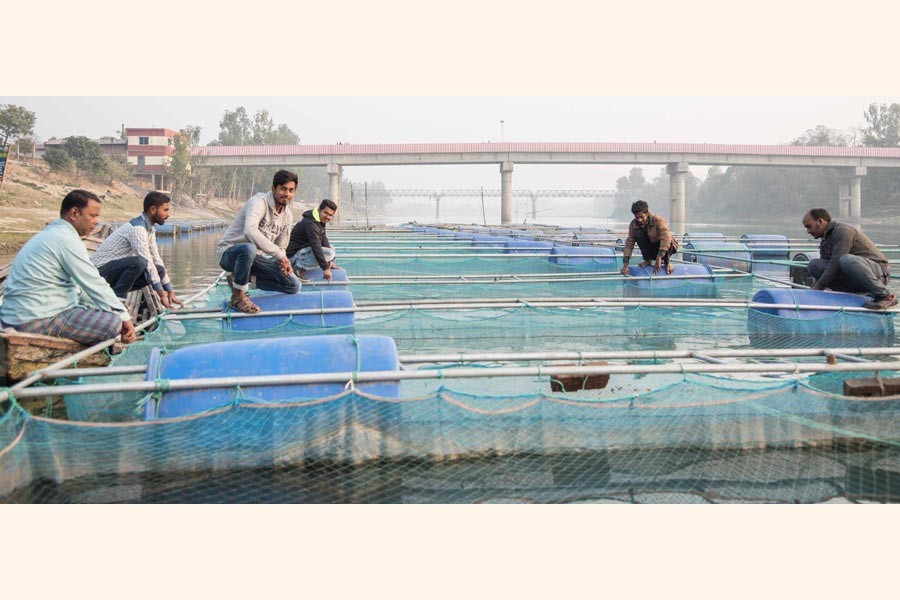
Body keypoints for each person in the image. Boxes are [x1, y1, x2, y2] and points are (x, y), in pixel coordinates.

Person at [0, 190, 136, 345]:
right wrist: (123, 317)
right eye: (92, 216)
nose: (97, 221)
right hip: (34, 320)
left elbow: (80, 288)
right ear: (74, 213)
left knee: (105, 310)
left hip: (14, 317)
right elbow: (93, 282)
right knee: (113, 323)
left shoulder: (51, 234)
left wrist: (112, 308)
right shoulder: (65, 239)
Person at [216, 169, 301, 313]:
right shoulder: (259, 202)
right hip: (231, 254)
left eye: (291, 190)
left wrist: (284, 262)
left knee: (293, 285)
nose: (287, 194)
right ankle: (238, 295)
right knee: (249, 248)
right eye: (283, 189)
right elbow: (249, 231)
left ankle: (242, 279)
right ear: (273, 188)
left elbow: (281, 247)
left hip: (255, 259)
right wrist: (278, 255)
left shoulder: (287, 215)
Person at [91, 191, 184, 309]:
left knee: (159, 270)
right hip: (98, 273)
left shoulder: (149, 228)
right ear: (153, 209)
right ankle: (117, 300)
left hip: (112, 273)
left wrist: (169, 290)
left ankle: (112, 295)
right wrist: (161, 294)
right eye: (165, 210)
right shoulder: (138, 229)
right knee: (139, 262)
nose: (168, 214)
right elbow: (147, 261)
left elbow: (156, 259)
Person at [802, 208, 896, 309]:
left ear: (820, 222)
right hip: (854, 276)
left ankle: (885, 296)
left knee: (846, 260)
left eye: (809, 226)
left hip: (878, 273)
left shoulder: (843, 231)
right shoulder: (825, 240)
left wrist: (818, 287)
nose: (808, 231)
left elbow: (836, 262)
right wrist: (814, 290)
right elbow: (827, 269)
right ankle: (848, 295)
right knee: (814, 265)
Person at [620, 200, 678, 276]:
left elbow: (666, 238)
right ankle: (648, 260)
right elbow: (629, 245)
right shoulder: (633, 225)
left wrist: (659, 258)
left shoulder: (658, 220)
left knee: (667, 239)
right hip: (651, 249)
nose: (639, 220)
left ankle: (667, 263)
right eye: (637, 217)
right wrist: (625, 264)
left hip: (665, 248)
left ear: (647, 213)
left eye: (641, 217)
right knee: (638, 234)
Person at [287, 199, 339, 282]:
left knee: (331, 249)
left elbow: (323, 238)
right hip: (294, 255)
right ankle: (298, 267)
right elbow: (316, 245)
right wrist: (325, 268)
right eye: (326, 213)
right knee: (329, 253)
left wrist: (331, 260)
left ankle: (301, 264)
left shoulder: (319, 219)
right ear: (319, 210)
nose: (328, 217)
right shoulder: (311, 223)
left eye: (330, 215)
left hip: (303, 251)